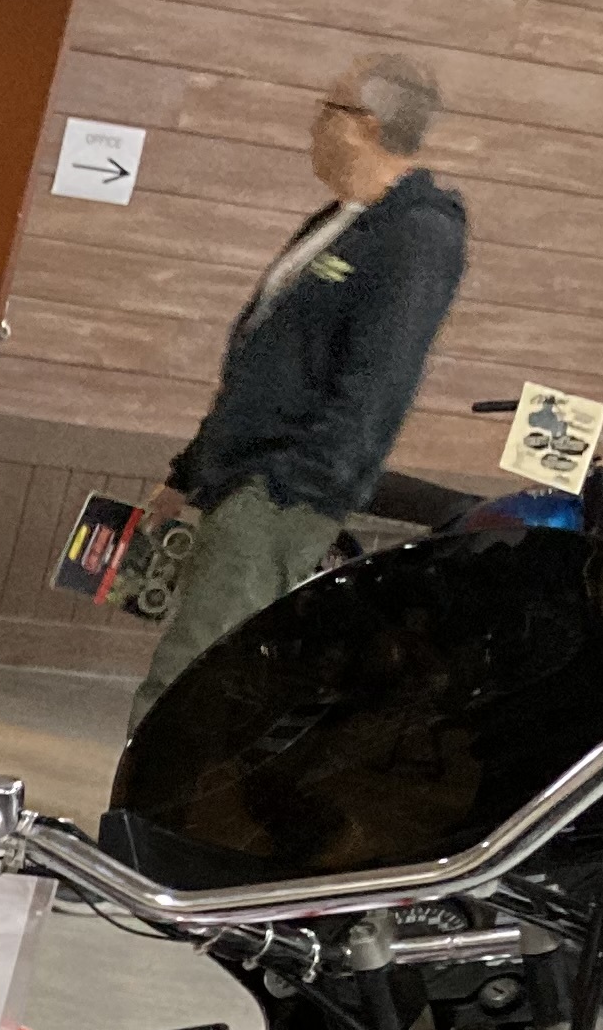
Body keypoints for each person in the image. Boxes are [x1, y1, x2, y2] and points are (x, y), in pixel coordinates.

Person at [128, 56, 471, 730]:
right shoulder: (337, 220)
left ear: (366, 125)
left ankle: (153, 798)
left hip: (279, 492)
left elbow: (380, 380)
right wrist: (188, 472)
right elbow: (264, 367)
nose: (315, 123)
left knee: (194, 674)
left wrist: (293, 488)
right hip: (240, 476)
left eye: (328, 108)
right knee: (203, 666)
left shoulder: (416, 234)